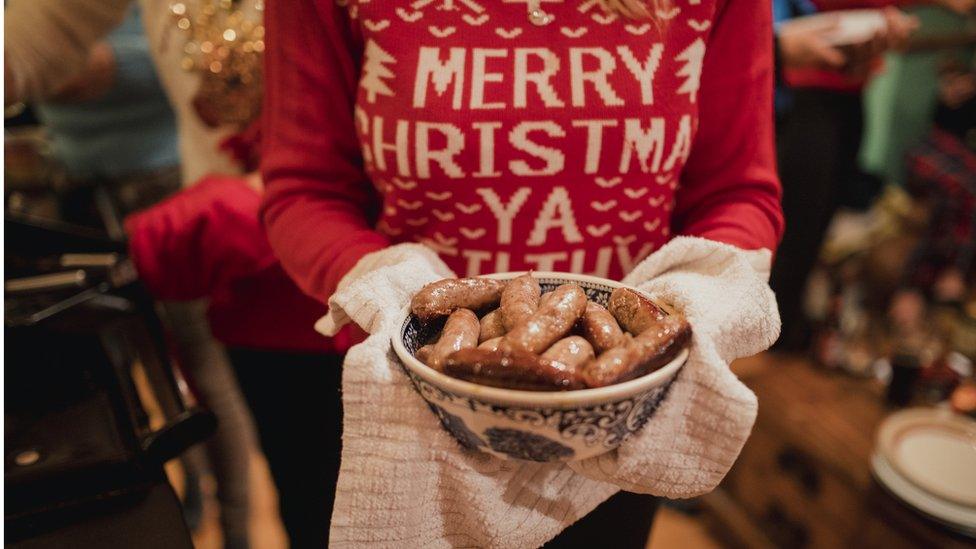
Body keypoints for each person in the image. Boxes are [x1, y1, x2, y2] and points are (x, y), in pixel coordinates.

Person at [261, 0, 783, 545]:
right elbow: (306, 190)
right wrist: (385, 283)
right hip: (412, 409)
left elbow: (738, 192)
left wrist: (692, 298)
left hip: (617, 428)